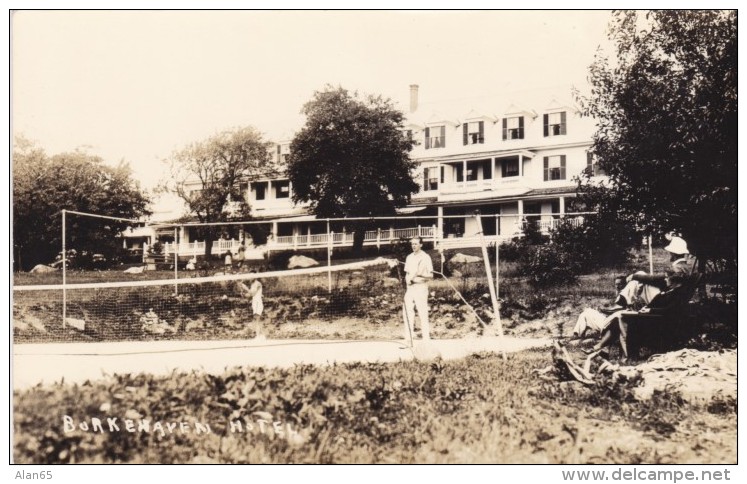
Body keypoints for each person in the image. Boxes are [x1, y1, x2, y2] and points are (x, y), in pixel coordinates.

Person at [581, 272, 689, 358]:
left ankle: (606, 350)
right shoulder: (670, 291)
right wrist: (646, 308)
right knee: (618, 319)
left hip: (657, 322)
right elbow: (656, 304)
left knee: (621, 319)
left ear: (675, 281)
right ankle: (600, 348)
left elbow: (670, 310)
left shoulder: (677, 294)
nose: (665, 280)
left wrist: (649, 311)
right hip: (652, 317)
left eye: (667, 278)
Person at [404, 236, 434, 341]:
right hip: (410, 288)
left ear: (421, 245)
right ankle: (409, 337)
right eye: (412, 244)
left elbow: (431, 276)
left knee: (422, 311)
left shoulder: (426, 257)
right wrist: (408, 280)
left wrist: (419, 277)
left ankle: (426, 338)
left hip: (421, 287)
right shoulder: (409, 257)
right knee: (407, 311)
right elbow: (407, 273)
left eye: (416, 244)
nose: (413, 246)